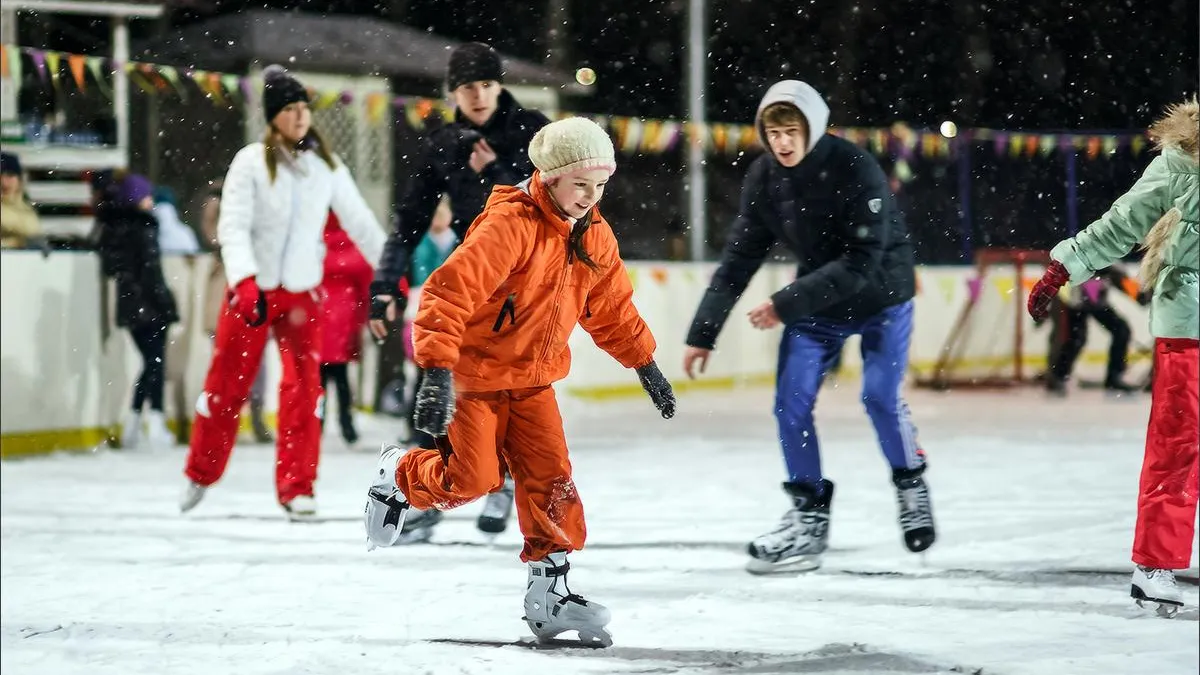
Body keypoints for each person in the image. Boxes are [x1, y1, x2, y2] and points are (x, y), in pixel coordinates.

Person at [363, 118, 676, 646]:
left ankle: (550, 596)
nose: (590, 196)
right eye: (581, 184)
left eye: (600, 186)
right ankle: (399, 474)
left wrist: (644, 362)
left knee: (552, 481)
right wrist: (437, 371)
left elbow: (611, 308)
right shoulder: (510, 224)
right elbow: (447, 292)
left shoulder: (593, 234)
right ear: (550, 177)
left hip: (534, 383)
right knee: (471, 480)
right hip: (475, 377)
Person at [682, 80, 932, 575]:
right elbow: (738, 259)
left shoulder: (857, 168)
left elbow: (861, 262)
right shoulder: (765, 179)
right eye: (773, 132)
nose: (782, 142)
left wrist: (784, 303)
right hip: (818, 301)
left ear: (813, 128)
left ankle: (910, 482)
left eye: (792, 130)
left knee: (879, 396)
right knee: (789, 404)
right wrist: (702, 332)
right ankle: (808, 516)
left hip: (882, 295)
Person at [181, 65, 386, 520]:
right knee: (226, 386)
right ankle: (201, 471)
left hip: (301, 294)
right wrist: (245, 280)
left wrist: (390, 271)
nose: (298, 117)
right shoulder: (251, 162)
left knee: (304, 391)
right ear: (273, 117)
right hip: (252, 291)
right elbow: (232, 227)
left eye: (302, 109)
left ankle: (298, 486)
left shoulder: (325, 167)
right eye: (289, 110)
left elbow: (361, 223)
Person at [369, 41, 551, 540]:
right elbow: (408, 219)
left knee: (509, 385)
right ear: (454, 91)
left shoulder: (531, 130)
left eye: (486, 85)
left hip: (526, 279)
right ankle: (432, 492)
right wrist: (385, 283)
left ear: (499, 86)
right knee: (441, 385)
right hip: (471, 277)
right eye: (467, 87)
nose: (477, 95)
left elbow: (553, 203)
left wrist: (493, 172)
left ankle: (502, 482)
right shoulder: (445, 141)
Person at [1027, 97, 1197, 617]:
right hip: (1189, 322)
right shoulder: (1181, 161)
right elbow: (1123, 222)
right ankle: (1155, 566)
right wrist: (1065, 266)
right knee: (1178, 445)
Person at [95, 172, 180, 449]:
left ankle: (136, 422)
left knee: (151, 363)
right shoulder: (144, 227)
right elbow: (152, 272)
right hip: (149, 306)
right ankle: (151, 420)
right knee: (155, 363)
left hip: (132, 306)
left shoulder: (114, 228)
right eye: (146, 195)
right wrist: (166, 304)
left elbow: (115, 267)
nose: (150, 200)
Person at [199, 179, 273, 443]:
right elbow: (212, 231)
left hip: (253, 283)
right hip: (231, 283)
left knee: (257, 360)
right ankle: (223, 416)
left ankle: (254, 412)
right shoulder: (220, 202)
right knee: (225, 358)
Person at [1044, 264, 1143, 396]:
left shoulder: (1111, 263)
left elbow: (1125, 284)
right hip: (1073, 302)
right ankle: (1058, 376)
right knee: (1074, 339)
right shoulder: (1095, 257)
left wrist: (1144, 296)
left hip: (1092, 300)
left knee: (1120, 330)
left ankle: (1114, 377)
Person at [319, 211, 374, 446]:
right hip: (344, 317)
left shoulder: (316, 245)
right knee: (341, 379)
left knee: (317, 381)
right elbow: (366, 282)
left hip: (318, 317)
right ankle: (347, 425)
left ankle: (315, 425)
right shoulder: (352, 246)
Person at [1, 152, 40, 249]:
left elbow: (34, 233)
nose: (3, 181)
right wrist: (21, 241)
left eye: (9, 175)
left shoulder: (26, 209)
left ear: (19, 179)